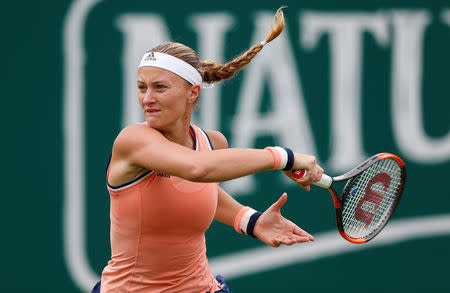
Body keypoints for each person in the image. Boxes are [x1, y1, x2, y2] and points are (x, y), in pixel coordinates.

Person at [93, 7, 323, 293]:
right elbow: (197, 169)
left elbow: (198, 187)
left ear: (193, 91)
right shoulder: (133, 141)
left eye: (160, 87)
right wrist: (283, 157)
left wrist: (250, 220)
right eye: (142, 87)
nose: (147, 99)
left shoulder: (213, 144)